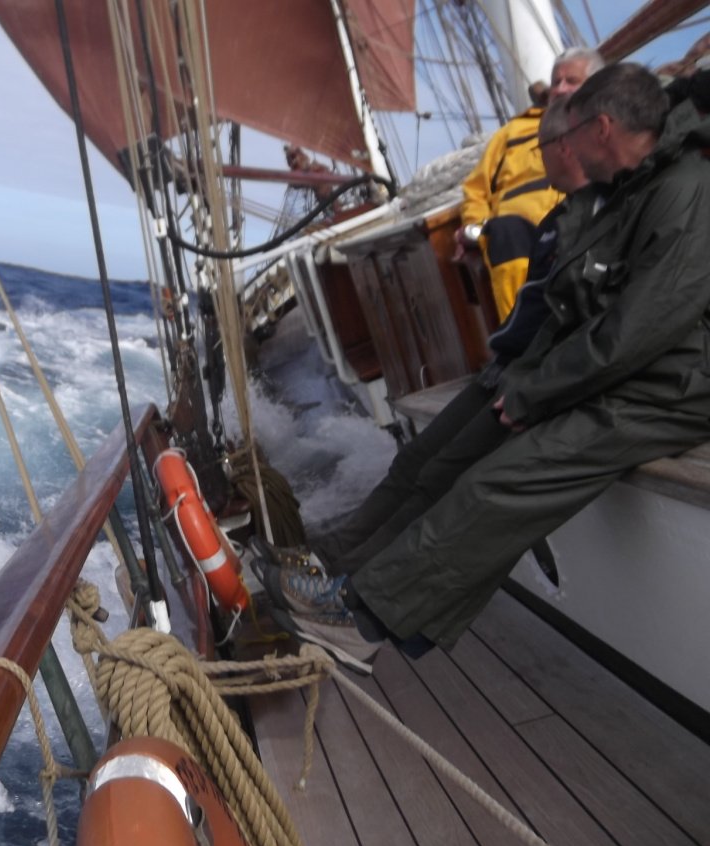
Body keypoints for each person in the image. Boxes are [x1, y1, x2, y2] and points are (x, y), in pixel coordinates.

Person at [265, 63, 710, 667]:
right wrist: (528, 377)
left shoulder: (684, 190)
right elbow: (582, 306)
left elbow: (637, 328)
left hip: (671, 385)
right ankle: (364, 597)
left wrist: (537, 388)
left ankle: (362, 618)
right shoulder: (636, 186)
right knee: (455, 465)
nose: (561, 150)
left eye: (568, 135)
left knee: (498, 482)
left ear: (601, 129)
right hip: (631, 368)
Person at [252, 99, 593, 662]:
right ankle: (336, 567)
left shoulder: (606, 211)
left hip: (547, 376)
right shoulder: (563, 209)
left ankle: (355, 607)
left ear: (591, 133)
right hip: (519, 363)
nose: (540, 156)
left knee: (471, 489)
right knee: (422, 465)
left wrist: (539, 382)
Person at [457, 48, 604, 321]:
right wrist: (475, 227)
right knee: (506, 232)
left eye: (571, 81)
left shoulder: (607, 122)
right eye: (556, 81)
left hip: (580, 220)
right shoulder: (511, 134)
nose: (559, 89)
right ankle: (521, 333)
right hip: (518, 235)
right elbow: (476, 189)